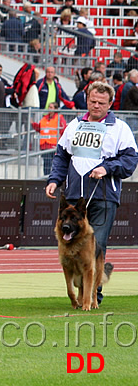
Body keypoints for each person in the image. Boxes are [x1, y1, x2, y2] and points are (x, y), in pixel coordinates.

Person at [46, 81, 138, 304]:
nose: (96, 106)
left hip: (104, 196)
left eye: (101, 103)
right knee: (72, 247)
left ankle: (93, 294)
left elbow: (130, 161)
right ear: (87, 100)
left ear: (110, 103)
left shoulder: (120, 128)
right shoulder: (74, 124)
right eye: (92, 101)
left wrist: (107, 168)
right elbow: (62, 156)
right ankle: (83, 291)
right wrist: (54, 180)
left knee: (97, 246)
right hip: (76, 198)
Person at [32, 102, 66, 175]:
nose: (49, 109)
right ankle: (46, 177)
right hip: (45, 144)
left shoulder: (59, 117)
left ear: (55, 109)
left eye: (51, 107)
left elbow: (63, 130)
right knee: (46, 164)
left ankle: (54, 177)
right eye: (49, 107)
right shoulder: (44, 118)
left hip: (53, 144)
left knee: (55, 163)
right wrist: (33, 124)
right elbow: (40, 128)